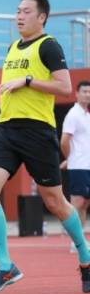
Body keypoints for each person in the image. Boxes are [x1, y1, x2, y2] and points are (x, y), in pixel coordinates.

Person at [0, 0, 89, 294]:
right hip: (5, 129)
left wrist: (27, 81)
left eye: (26, 11)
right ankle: (5, 266)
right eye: (17, 11)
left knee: (54, 201)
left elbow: (65, 87)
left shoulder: (49, 46)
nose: (19, 16)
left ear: (42, 17)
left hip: (37, 131)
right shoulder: (12, 47)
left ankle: (85, 255)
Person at [61, 80, 90, 253]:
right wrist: (70, 159)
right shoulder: (73, 114)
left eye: (89, 92)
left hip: (87, 165)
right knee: (77, 203)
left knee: (85, 203)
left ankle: (81, 239)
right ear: (77, 94)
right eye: (84, 91)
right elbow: (64, 140)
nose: (87, 95)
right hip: (78, 166)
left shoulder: (87, 115)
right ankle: (75, 242)